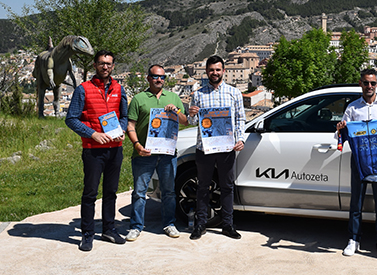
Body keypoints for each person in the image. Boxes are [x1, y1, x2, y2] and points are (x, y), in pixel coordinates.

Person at [65, 50, 128, 252]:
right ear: (95, 65)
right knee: (90, 193)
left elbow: (124, 116)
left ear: (113, 66)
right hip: (93, 150)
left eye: (108, 63)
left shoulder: (119, 88)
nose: (105, 67)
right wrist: (93, 134)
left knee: (111, 192)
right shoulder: (83, 89)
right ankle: (87, 234)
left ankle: (109, 229)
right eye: (101, 63)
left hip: (115, 149)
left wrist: (122, 130)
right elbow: (71, 119)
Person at [336, 68, 377, 258]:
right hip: (359, 160)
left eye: (373, 83)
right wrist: (340, 128)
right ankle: (353, 239)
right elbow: (341, 133)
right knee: (356, 203)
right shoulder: (352, 108)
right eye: (366, 83)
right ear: (361, 84)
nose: (369, 86)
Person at [125, 65, 188, 241]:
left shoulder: (173, 98)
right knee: (139, 192)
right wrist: (137, 145)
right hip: (144, 154)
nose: (159, 79)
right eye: (155, 76)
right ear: (148, 78)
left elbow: (185, 121)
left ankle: (169, 223)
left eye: (162, 77)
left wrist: (176, 111)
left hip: (167, 153)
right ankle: (136, 226)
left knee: (169, 192)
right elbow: (130, 125)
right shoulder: (138, 99)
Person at [187, 55, 246, 240]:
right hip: (204, 148)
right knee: (202, 187)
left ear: (223, 71)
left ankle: (228, 225)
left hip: (227, 148)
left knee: (227, 186)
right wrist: (191, 114)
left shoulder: (234, 93)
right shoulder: (198, 95)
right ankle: (201, 224)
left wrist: (241, 139)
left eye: (218, 69)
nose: (215, 73)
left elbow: (240, 119)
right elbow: (192, 122)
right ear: (207, 71)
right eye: (211, 70)